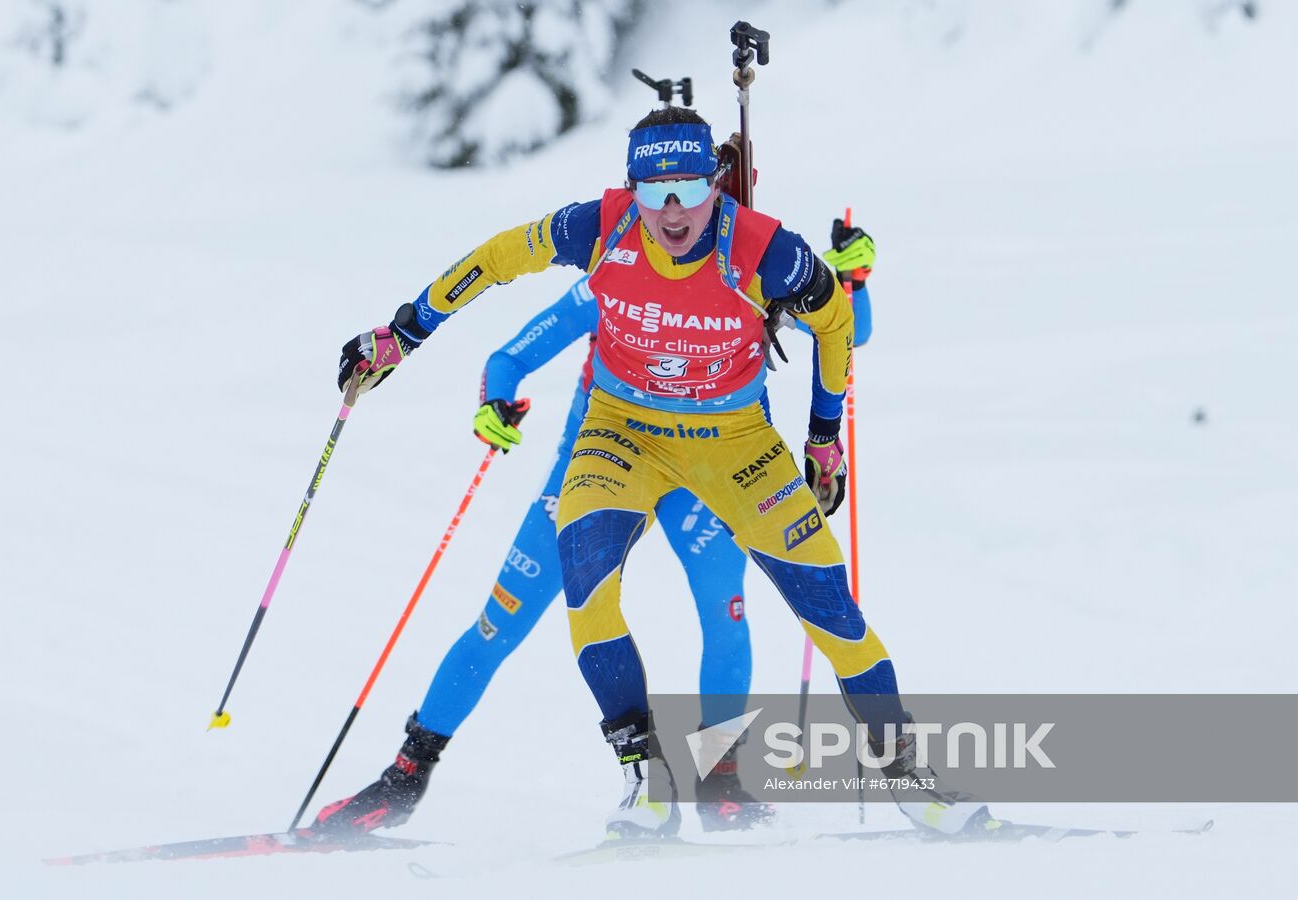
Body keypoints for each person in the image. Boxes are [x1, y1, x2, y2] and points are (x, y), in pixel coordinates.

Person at [330, 105, 986, 839]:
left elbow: (837, 324)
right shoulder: (602, 230)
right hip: (622, 432)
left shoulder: (766, 251)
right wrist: (406, 331)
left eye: (688, 189)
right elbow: (499, 258)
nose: (671, 211)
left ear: (716, 185)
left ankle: (895, 776)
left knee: (828, 606)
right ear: (629, 190)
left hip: (734, 440)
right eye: (652, 192)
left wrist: (824, 435)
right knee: (584, 581)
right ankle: (644, 779)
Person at [313, 276, 780, 836]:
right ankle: (406, 777)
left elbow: (843, 323)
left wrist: (853, 276)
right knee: (498, 624)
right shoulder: (612, 277)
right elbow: (509, 357)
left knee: (723, 612)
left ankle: (721, 778)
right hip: (593, 471)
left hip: (695, 476)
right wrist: (495, 404)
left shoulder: (744, 273)